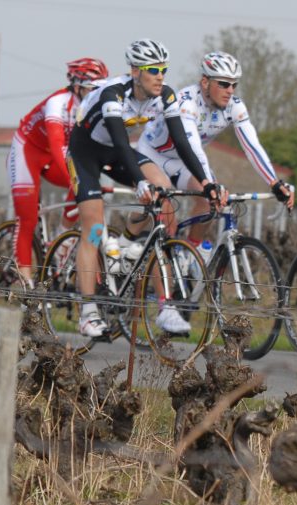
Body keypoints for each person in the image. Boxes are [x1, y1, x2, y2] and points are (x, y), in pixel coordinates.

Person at [68, 40, 222, 338]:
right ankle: (87, 313)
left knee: (163, 197)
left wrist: (206, 181)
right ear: (136, 71)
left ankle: (164, 305)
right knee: (94, 226)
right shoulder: (114, 94)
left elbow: (182, 142)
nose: (160, 76)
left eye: (163, 69)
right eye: (153, 70)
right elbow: (121, 141)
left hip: (116, 152)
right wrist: (139, 181)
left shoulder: (165, 95)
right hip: (86, 152)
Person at [136, 51, 294, 259]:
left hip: (183, 163)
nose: (230, 90)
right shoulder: (186, 102)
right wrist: (209, 183)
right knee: (168, 220)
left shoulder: (234, 107)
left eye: (234, 85)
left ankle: (190, 253)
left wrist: (274, 182)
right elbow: (193, 148)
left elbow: (252, 146)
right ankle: (132, 248)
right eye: (223, 84)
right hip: (154, 156)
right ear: (205, 81)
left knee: (207, 201)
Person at [8, 57, 110, 282]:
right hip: (28, 150)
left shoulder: (96, 106)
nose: (96, 94)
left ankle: (61, 238)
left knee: (85, 181)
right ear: (76, 86)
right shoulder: (59, 102)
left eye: (100, 89)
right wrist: (78, 182)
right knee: (28, 218)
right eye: (91, 88)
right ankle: (25, 282)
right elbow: (57, 146)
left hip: (56, 153)